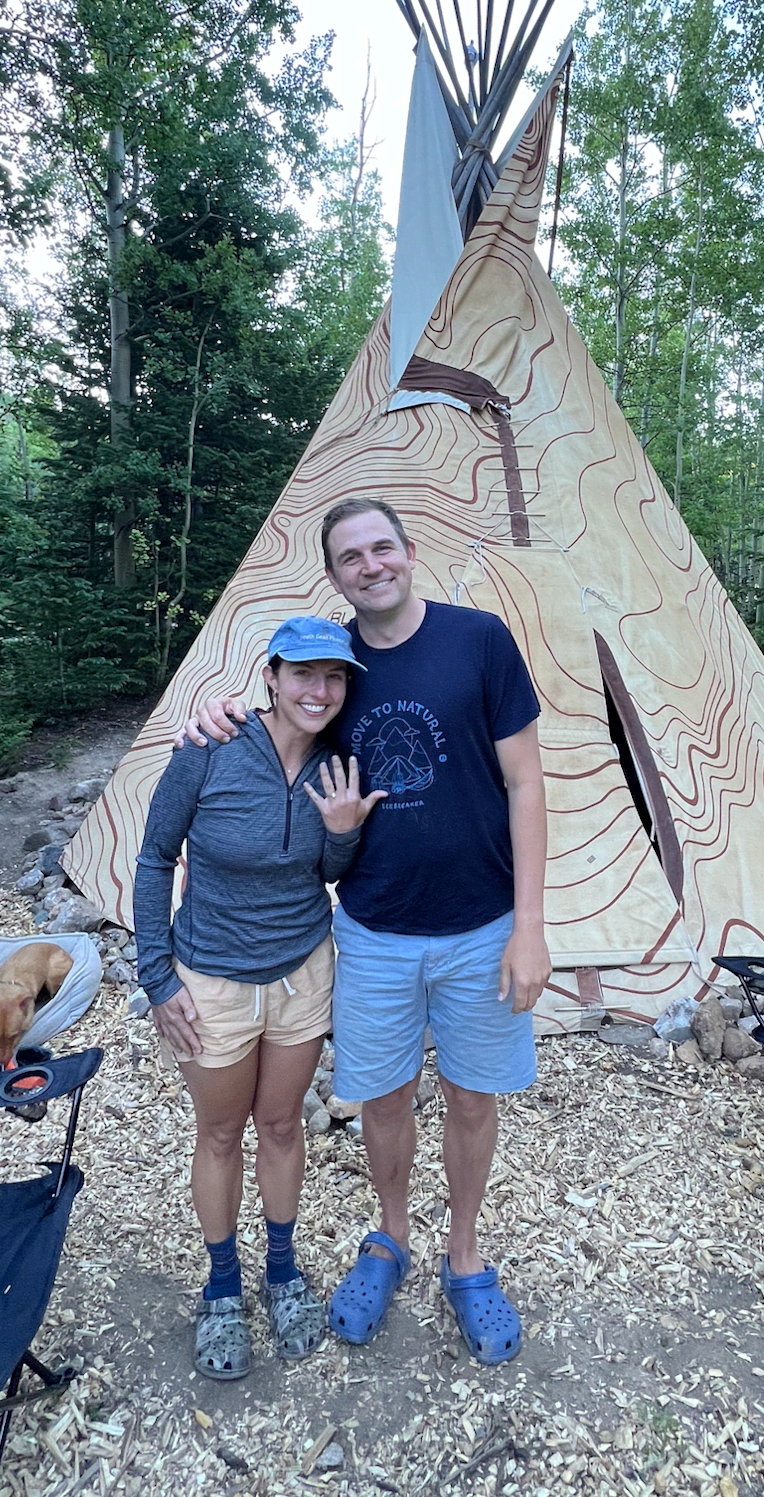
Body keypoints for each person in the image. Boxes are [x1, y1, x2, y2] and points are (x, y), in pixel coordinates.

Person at [184, 498, 550, 1365]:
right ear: (336, 574)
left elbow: (527, 783)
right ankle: (390, 1237)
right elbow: (277, 724)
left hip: (482, 923)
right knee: (383, 1097)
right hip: (375, 928)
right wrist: (212, 713)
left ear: (409, 552)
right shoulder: (331, 667)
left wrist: (530, 926)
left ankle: (464, 1256)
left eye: (382, 546)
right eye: (351, 556)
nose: (371, 563)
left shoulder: (480, 640)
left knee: (470, 1095)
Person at [135, 615, 384, 1381]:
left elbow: (333, 865)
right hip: (211, 978)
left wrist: (343, 830)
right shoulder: (209, 747)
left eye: (335, 676)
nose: (320, 689)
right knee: (219, 1133)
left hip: (301, 972)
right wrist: (157, 975)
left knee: (279, 1124)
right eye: (304, 673)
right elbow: (153, 856)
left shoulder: (336, 762)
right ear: (270, 675)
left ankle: (281, 1269)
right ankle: (220, 1286)